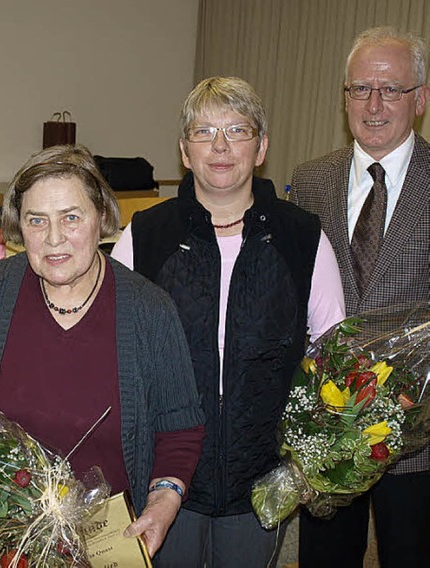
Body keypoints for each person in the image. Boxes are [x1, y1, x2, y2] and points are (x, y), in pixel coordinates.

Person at [111, 76, 345, 567]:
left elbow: (332, 359)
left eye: (237, 130)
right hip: (165, 478)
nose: (220, 146)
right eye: (204, 132)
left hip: (259, 479)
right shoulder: (146, 236)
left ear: (260, 148)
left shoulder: (302, 238)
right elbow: (115, 353)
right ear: (184, 150)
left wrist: (304, 463)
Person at [0, 143, 206, 558]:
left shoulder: (150, 311)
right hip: (7, 536)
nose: (54, 238)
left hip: (107, 541)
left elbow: (180, 430)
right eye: (37, 221)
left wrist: (164, 500)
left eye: (71, 217)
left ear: (102, 218)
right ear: (18, 226)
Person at [290, 26, 430, 568]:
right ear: (344, 96)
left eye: (390, 89)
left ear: (419, 99)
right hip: (327, 431)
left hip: (418, 436)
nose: (373, 104)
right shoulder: (310, 181)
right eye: (359, 89)